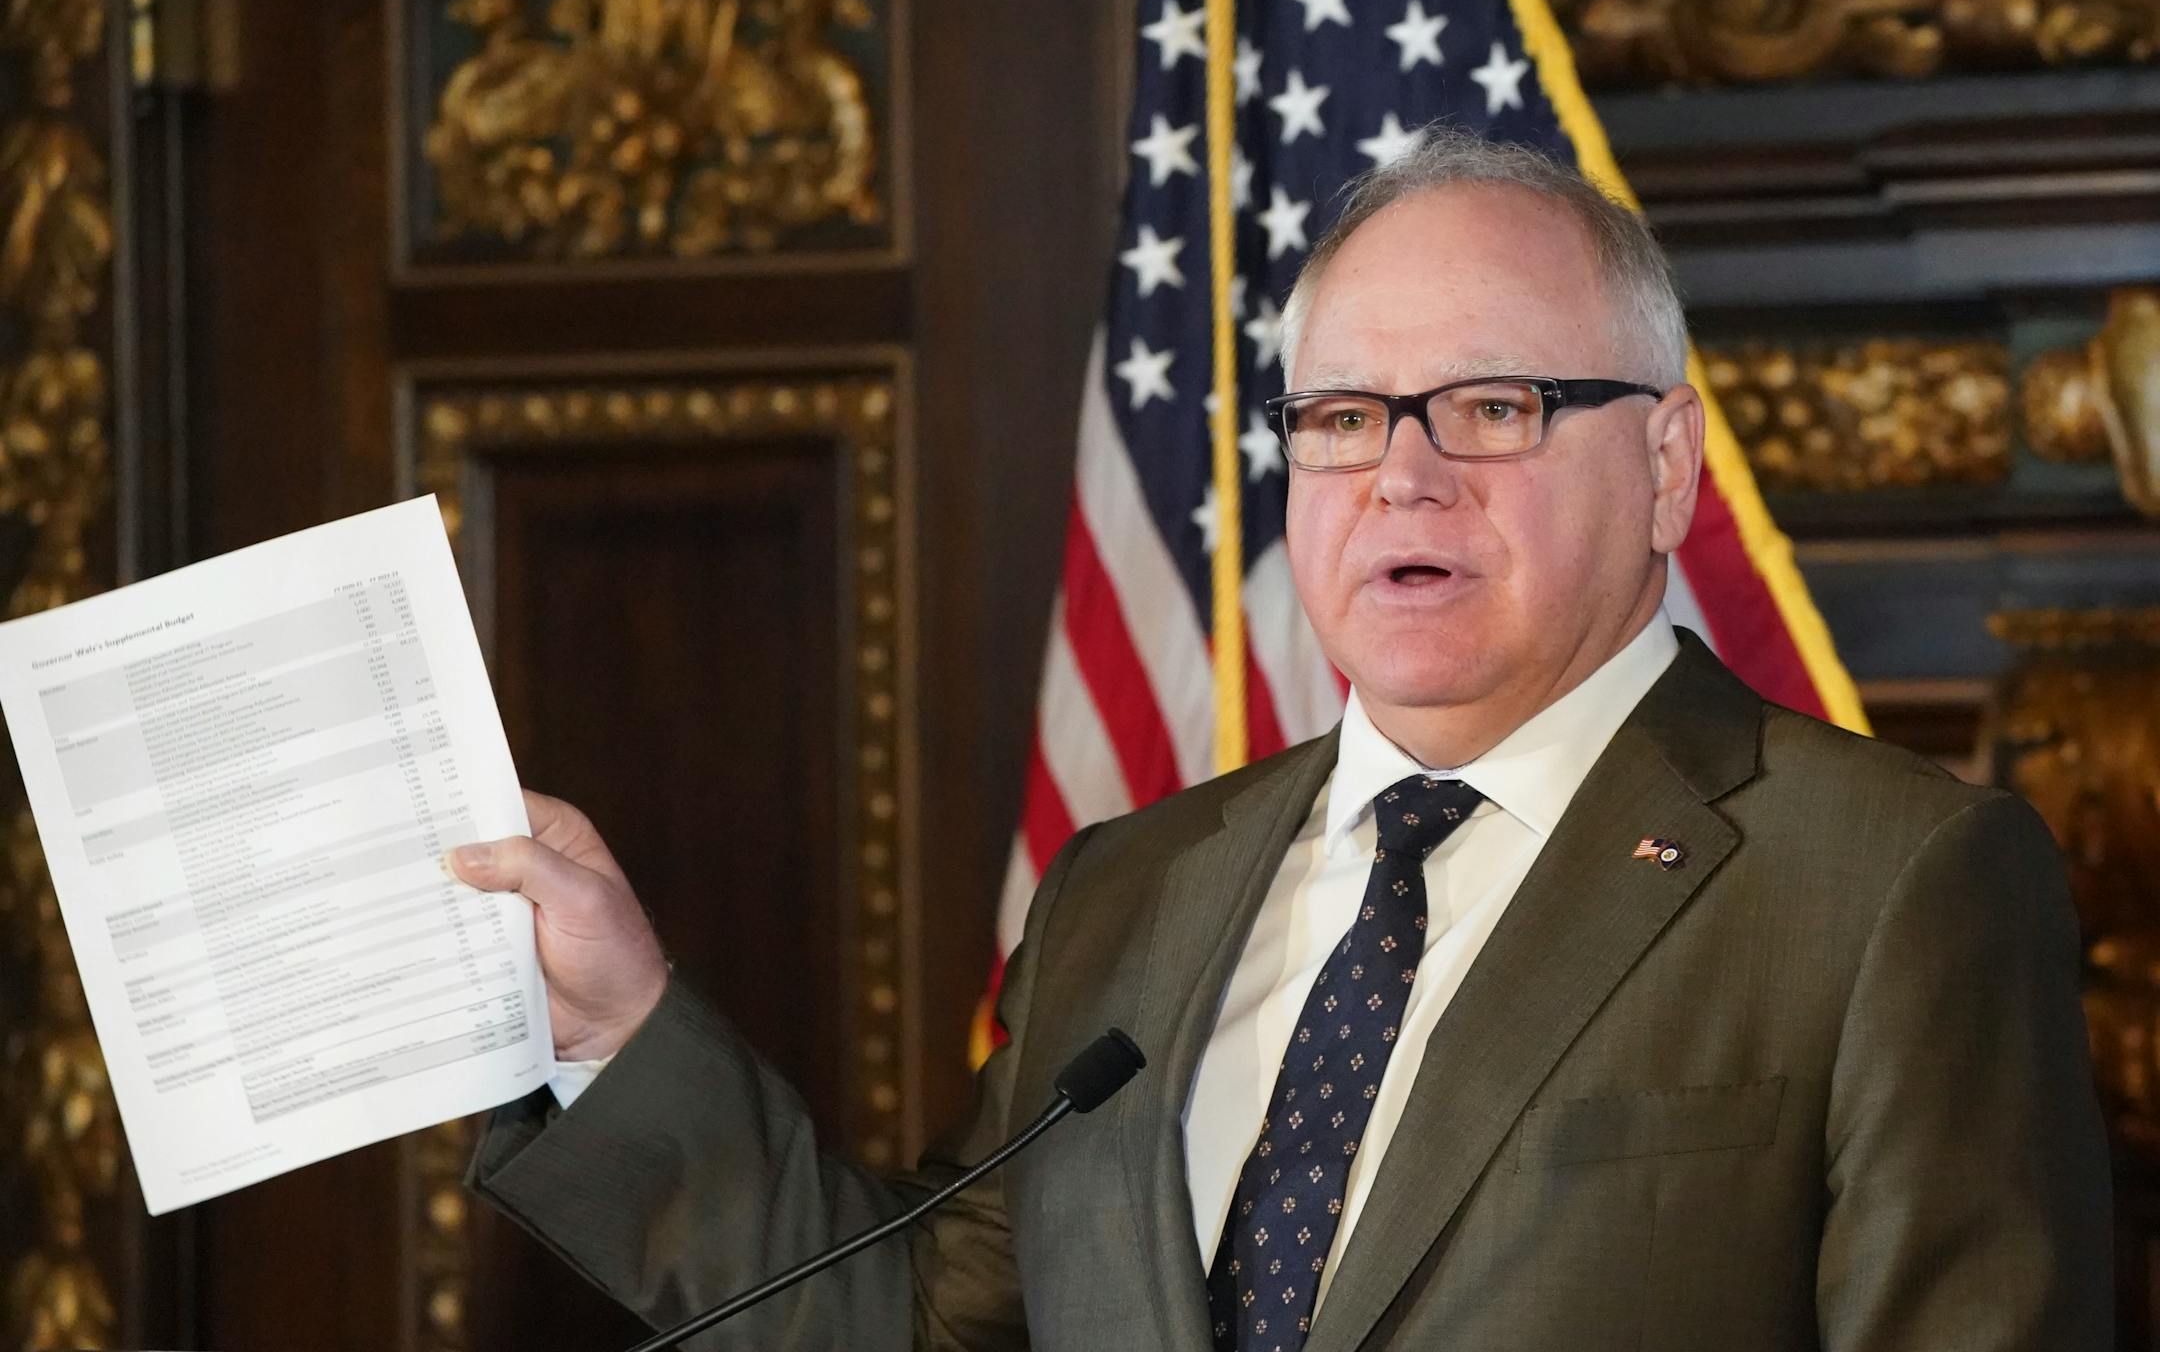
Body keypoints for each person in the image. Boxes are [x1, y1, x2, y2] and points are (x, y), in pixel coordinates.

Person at [449, 130, 2111, 1351]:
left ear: (1666, 465)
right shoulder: (1133, 890)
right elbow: (907, 1328)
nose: (1404, 476)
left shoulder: (1894, 884)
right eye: (1340, 419)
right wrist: (621, 1026)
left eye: (1494, 406)